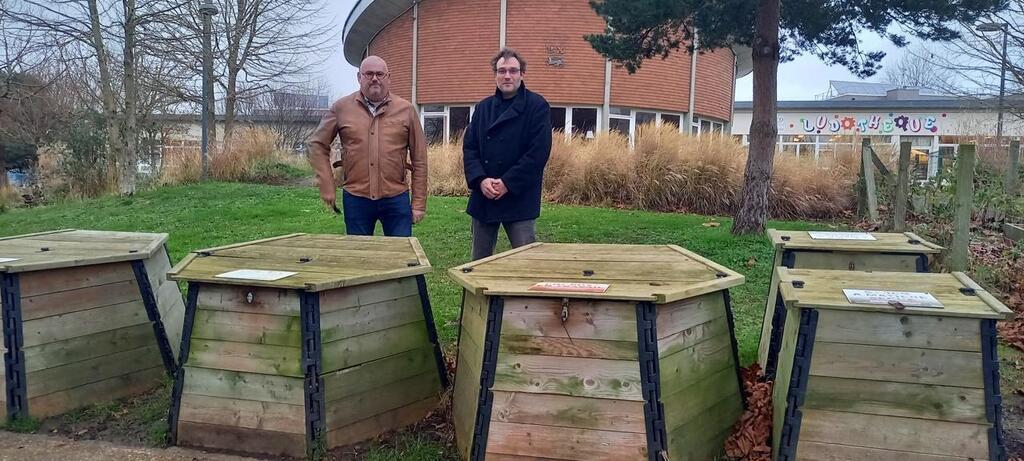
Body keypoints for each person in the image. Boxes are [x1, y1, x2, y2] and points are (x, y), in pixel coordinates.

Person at [308, 55, 427, 237]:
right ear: (359, 77)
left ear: (389, 77)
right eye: (369, 74)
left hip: (396, 197)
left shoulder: (406, 110)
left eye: (380, 74)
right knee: (360, 258)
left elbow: (420, 158)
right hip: (356, 198)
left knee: (400, 256)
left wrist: (418, 203)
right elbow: (317, 144)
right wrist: (326, 182)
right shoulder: (341, 108)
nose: (374, 79)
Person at [463, 48, 552, 260]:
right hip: (484, 197)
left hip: (519, 197)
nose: (507, 76)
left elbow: (538, 153)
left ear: (522, 74)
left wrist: (507, 183)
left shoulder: (537, 106)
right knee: (479, 264)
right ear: (495, 74)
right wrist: (481, 180)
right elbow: (470, 148)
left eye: (513, 70)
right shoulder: (483, 108)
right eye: (502, 71)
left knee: (525, 263)